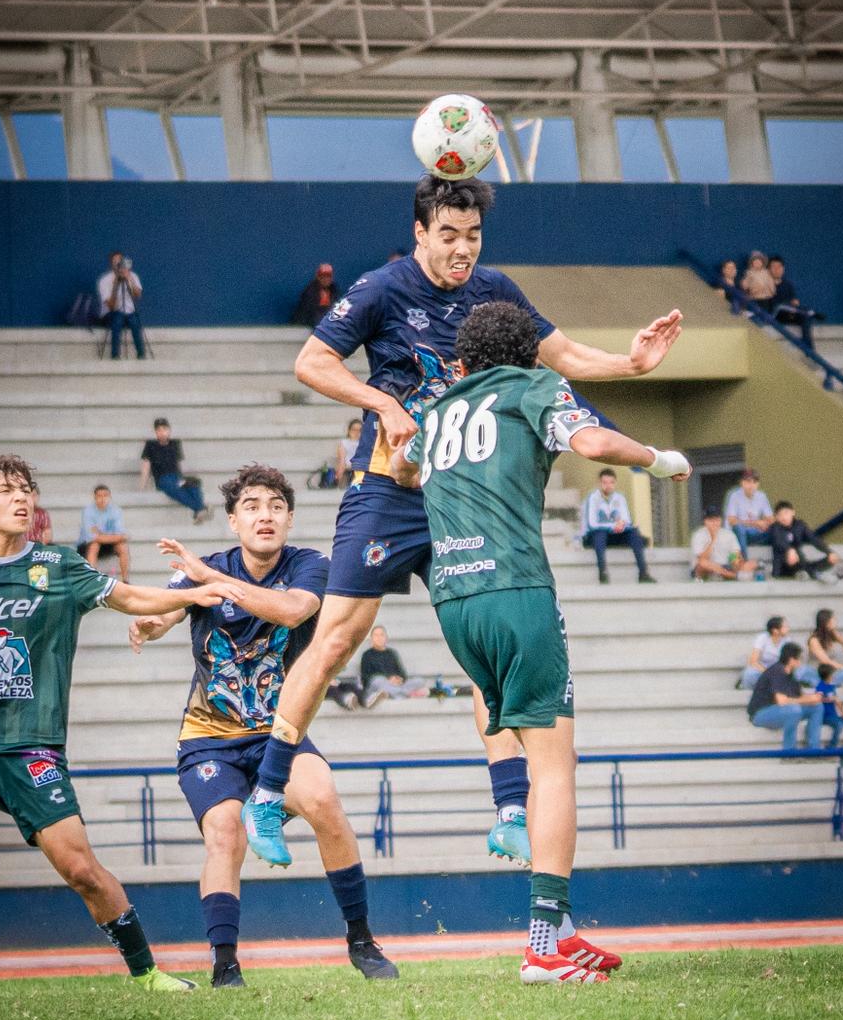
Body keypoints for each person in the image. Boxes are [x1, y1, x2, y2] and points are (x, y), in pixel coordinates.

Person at [241, 174, 684, 874]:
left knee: (486, 647)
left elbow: (563, 356)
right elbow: (311, 362)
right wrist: (380, 403)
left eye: (473, 236)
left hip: (460, 492)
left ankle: (509, 811)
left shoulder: (495, 289)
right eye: (448, 235)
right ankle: (267, 794)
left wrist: (631, 363)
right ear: (420, 233)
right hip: (387, 491)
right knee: (336, 640)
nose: (462, 249)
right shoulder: (383, 288)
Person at [390, 301, 691, 983]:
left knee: (540, 751)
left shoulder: (436, 411)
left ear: (462, 362)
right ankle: (542, 944)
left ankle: (563, 929)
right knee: (556, 766)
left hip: (454, 600)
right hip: (516, 590)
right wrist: (659, 460)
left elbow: (402, 469)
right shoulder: (533, 386)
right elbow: (594, 445)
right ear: (531, 355)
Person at [0, 453, 244, 991]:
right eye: (5, 491)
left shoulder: (58, 566)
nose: (21, 498)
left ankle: (148, 974)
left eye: (25, 489)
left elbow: (127, 596)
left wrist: (191, 595)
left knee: (82, 871)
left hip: (31, 749)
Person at [128, 464, 397, 986]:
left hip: (280, 732)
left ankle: (361, 940)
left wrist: (214, 583)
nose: (264, 515)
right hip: (209, 738)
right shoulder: (207, 568)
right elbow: (168, 609)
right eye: (251, 506)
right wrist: (152, 622)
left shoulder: (310, 566)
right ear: (233, 521)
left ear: (290, 519)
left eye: (275, 506)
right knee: (225, 834)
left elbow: (293, 612)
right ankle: (225, 964)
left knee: (323, 799)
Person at [580, 468, 656, 584]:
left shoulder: (620, 497)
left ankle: (643, 573)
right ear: (599, 483)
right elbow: (592, 524)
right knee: (600, 534)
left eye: (611, 482)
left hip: (614, 535)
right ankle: (603, 573)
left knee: (633, 532)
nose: (608, 486)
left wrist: (621, 525)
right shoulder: (592, 498)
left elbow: (627, 520)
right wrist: (613, 526)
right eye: (605, 482)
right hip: (595, 537)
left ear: (615, 483)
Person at [747, 643, 823, 751]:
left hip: (780, 711)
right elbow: (782, 701)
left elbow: (799, 696)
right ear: (791, 660)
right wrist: (807, 699)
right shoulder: (776, 671)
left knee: (817, 707)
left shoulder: (791, 674)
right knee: (794, 710)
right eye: (799, 658)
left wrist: (814, 698)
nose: (800, 662)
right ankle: (789, 752)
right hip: (761, 713)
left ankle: (814, 749)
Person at [140, 417, 210, 524]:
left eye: (164, 429)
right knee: (172, 486)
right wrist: (142, 486)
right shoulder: (151, 445)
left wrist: (183, 479)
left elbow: (179, 464)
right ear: (155, 432)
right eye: (159, 430)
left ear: (169, 430)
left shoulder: (175, 443)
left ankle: (199, 511)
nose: (162, 432)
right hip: (163, 479)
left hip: (176, 477)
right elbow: (146, 466)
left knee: (193, 483)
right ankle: (201, 508)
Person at [768, 501, 839, 582]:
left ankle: (812, 573)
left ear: (793, 512)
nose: (784, 517)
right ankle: (814, 574)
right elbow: (779, 541)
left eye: (786, 513)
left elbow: (813, 539)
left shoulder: (800, 525)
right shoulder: (775, 527)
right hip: (782, 568)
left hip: (800, 564)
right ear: (776, 517)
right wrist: (789, 550)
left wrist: (829, 552)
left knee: (830, 559)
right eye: (780, 515)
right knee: (794, 558)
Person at [764, 256, 820, 350]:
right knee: (782, 307)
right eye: (774, 267)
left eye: (779, 267)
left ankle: (809, 348)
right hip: (775, 314)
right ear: (769, 269)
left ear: (783, 269)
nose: (777, 270)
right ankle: (810, 312)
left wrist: (794, 304)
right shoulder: (765, 283)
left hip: (788, 314)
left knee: (805, 318)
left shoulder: (787, 284)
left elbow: (793, 300)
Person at [97, 251, 145, 360]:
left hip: (129, 312)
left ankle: (141, 354)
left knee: (135, 322)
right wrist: (116, 284)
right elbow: (111, 306)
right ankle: (115, 355)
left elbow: (138, 296)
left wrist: (129, 279)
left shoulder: (132, 276)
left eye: (120, 262)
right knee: (117, 319)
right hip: (111, 312)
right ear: (111, 264)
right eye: (115, 262)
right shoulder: (105, 280)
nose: (118, 265)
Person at [77, 484, 130, 583]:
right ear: (95, 497)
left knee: (123, 546)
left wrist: (101, 535)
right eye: (99, 496)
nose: (102, 499)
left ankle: (125, 580)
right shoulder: (88, 512)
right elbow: (92, 537)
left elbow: (120, 534)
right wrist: (112, 536)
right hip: (86, 545)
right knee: (94, 545)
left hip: (107, 543)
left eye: (105, 496)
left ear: (110, 497)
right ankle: (92, 580)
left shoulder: (116, 511)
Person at [800, 608, 843, 688]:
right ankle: (838, 684)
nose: (835, 621)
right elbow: (826, 661)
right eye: (833, 619)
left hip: (832, 672)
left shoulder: (833, 633)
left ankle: (841, 683)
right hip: (818, 674)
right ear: (827, 622)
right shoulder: (814, 640)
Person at [360, 625, 428, 699]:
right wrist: (388, 679)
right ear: (372, 639)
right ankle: (406, 694)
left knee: (419, 681)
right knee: (378, 680)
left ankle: (397, 694)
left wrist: (399, 679)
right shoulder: (367, 655)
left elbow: (402, 673)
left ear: (386, 638)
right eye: (376, 635)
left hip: (394, 685)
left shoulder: (392, 653)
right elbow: (366, 678)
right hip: (378, 686)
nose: (379, 638)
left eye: (381, 635)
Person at [690, 507, 756, 580]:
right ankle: (735, 576)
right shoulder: (698, 535)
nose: (714, 523)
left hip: (725, 566)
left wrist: (736, 562)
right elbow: (702, 559)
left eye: (717, 520)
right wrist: (713, 540)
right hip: (705, 569)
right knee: (703, 563)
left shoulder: (729, 534)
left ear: (721, 520)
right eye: (711, 520)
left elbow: (735, 554)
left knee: (751, 563)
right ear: (705, 521)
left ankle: (730, 574)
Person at [724, 469, 773, 559]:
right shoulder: (734, 496)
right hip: (738, 534)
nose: (751, 485)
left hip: (755, 534)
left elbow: (771, 518)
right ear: (742, 483)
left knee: (776, 527)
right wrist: (756, 523)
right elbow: (732, 521)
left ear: (758, 484)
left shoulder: (762, 496)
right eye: (748, 481)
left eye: (755, 482)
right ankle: (744, 561)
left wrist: (764, 523)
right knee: (740, 528)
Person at [738, 615, 790, 691]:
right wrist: (768, 673)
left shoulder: (787, 641)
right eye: (785, 627)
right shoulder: (762, 638)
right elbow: (753, 661)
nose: (788, 629)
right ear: (775, 630)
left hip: (776, 670)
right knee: (750, 674)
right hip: (761, 669)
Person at [815, 663, 843, 749]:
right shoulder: (820, 686)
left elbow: (837, 701)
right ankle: (832, 746)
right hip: (825, 716)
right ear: (827, 676)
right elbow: (817, 699)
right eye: (832, 674)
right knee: (839, 725)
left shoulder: (832, 687)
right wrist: (829, 699)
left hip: (834, 715)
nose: (833, 676)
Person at [292, 263, 339, 329]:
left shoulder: (334, 290)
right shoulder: (310, 291)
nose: (325, 279)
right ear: (318, 277)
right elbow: (307, 312)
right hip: (313, 323)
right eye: (322, 276)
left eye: (328, 277)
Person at [335, 419, 362, 488]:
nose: (356, 433)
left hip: (360, 470)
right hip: (347, 469)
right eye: (354, 430)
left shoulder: (364, 443)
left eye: (359, 430)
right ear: (349, 431)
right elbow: (342, 460)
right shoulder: (344, 443)